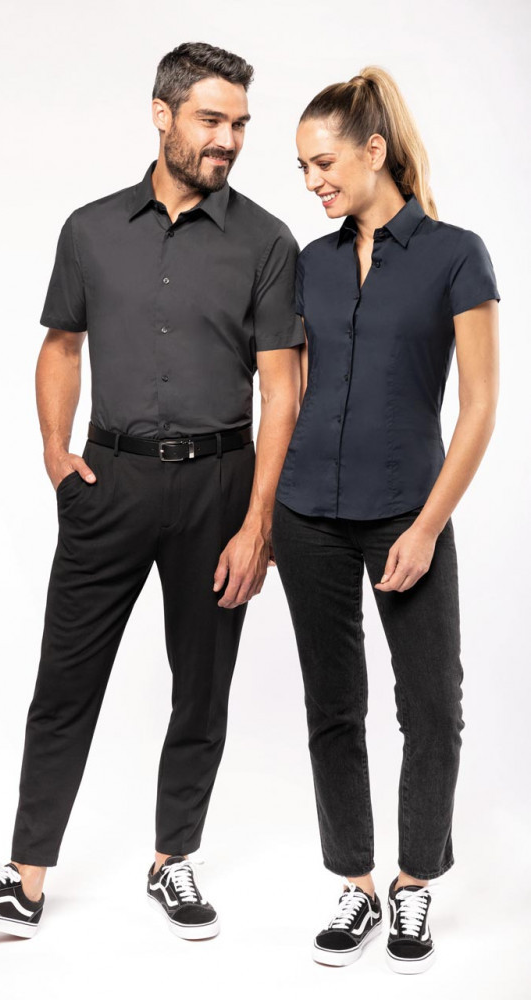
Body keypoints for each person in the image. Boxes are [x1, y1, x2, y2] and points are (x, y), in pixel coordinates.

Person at [0, 41, 304, 940]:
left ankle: (175, 860)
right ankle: (24, 880)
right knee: (65, 680)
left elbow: (283, 388)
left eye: (240, 124)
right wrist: (56, 455)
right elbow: (62, 345)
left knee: (201, 687)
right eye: (211, 120)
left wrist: (258, 522)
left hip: (220, 485)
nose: (228, 140)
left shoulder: (267, 242)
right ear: (162, 114)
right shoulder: (89, 229)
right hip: (110, 481)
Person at [272, 66, 500, 974]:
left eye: (323, 163)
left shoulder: (456, 255)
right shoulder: (311, 263)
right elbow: (286, 392)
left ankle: (413, 884)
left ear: (374, 151)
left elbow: (479, 408)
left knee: (432, 707)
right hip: (308, 515)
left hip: (408, 513)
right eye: (301, 167)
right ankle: (356, 884)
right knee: (333, 707)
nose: (312, 181)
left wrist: (429, 526)